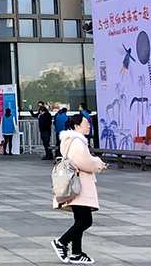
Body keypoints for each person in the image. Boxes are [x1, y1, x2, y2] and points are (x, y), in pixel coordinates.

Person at [51, 113, 107, 264]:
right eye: (85, 123)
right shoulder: (77, 142)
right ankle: (61, 242)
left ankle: (77, 252)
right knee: (86, 221)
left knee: (79, 220)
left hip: (75, 185)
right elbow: (85, 162)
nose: (88, 125)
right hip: (80, 186)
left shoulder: (70, 140)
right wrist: (98, 163)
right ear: (76, 126)